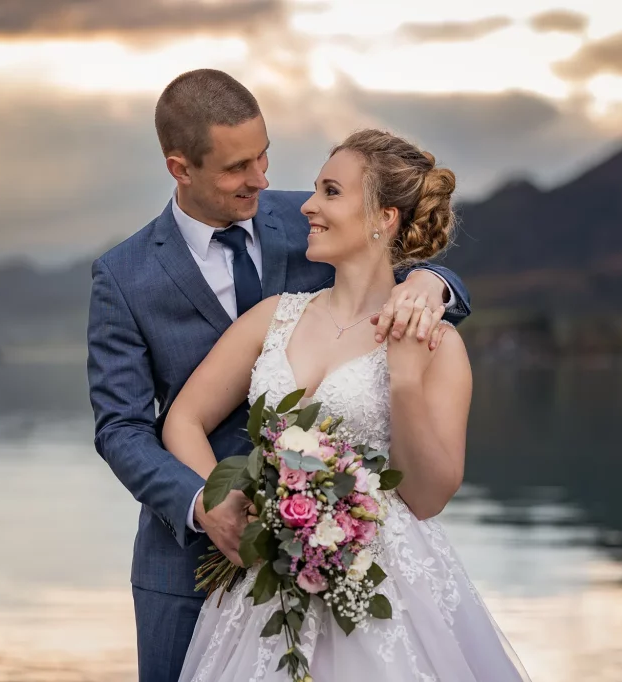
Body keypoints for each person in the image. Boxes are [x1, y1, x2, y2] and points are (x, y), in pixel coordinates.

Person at [86, 70, 472, 682]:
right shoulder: (124, 276)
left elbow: (398, 251)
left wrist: (434, 282)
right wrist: (207, 503)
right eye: (239, 167)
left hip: (358, 559)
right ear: (180, 168)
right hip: (186, 561)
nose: (263, 181)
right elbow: (122, 428)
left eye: (265, 156)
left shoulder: (306, 218)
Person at [163, 129, 530, 681]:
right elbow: (183, 420)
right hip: (269, 581)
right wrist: (226, 500)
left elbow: (428, 497)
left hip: (383, 588)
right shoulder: (273, 317)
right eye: (315, 189)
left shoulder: (437, 344)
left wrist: (404, 380)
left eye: (330, 191)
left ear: (385, 217)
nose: (308, 205)